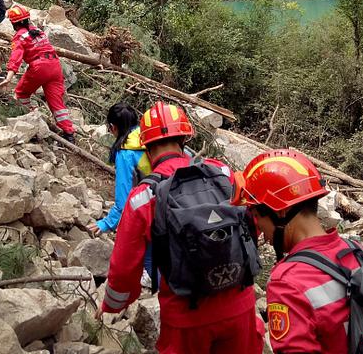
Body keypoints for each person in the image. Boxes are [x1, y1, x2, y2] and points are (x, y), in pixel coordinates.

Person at [100, 102, 263, 354]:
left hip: (186, 317)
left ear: (145, 145)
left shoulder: (144, 196)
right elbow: (252, 223)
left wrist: (112, 305)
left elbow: (123, 269)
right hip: (240, 305)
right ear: (185, 137)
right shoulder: (222, 173)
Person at [232, 150, 363, 353]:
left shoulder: (287, 283)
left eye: (257, 216)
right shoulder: (357, 251)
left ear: (280, 211)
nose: (260, 231)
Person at [0, 5, 76, 142]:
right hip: (55, 66)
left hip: (40, 67)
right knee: (57, 103)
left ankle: (33, 117)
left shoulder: (19, 37)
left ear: (13, 23)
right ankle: (69, 134)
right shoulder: (38, 31)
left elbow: (15, 58)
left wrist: (8, 78)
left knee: (22, 93)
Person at [88, 103, 151, 237]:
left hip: (153, 212)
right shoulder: (150, 138)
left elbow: (123, 199)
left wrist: (106, 223)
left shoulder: (125, 153)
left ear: (113, 127)